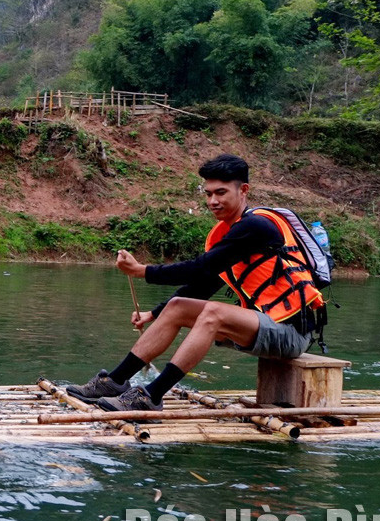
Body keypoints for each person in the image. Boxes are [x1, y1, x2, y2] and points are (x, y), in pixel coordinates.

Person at [69, 154, 326, 412]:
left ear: (244, 190)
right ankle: (114, 382)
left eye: (221, 193)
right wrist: (154, 313)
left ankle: (152, 396)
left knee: (213, 312)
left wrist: (141, 271)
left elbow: (198, 268)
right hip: (264, 324)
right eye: (208, 194)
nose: (213, 201)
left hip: (292, 334)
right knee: (180, 304)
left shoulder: (257, 226)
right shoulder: (232, 231)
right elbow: (203, 284)